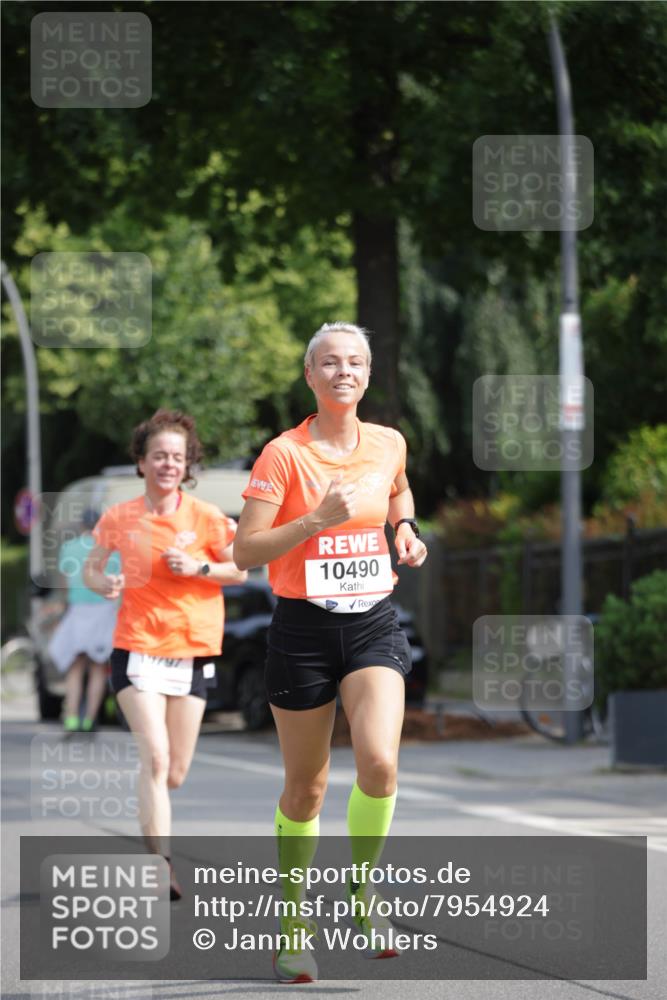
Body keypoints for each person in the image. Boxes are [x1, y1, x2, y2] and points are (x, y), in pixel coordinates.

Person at [234, 321, 428, 983]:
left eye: (355, 362)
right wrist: (316, 518)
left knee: (378, 762)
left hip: (373, 620)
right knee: (306, 787)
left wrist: (403, 527)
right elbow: (245, 551)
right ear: (310, 376)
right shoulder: (283, 455)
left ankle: (362, 891)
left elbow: (396, 486)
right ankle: (293, 924)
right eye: (329, 363)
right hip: (303, 630)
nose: (343, 371)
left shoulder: (387, 443)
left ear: (367, 374)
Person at [84, 409, 247, 897]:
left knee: (174, 772)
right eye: (158, 456)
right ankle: (161, 868)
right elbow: (90, 570)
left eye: (177, 457)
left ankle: (152, 816)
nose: (167, 464)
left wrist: (199, 567)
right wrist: (105, 581)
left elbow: (240, 570)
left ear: (187, 464)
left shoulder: (207, 518)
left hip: (192, 651)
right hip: (136, 648)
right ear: (141, 462)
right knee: (154, 759)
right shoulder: (119, 517)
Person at [48, 509, 120, 733]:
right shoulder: (113, 551)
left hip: (78, 610)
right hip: (105, 610)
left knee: (75, 667)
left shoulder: (70, 548)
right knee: (98, 667)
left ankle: (70, 718)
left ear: (81, 525)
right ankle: (89, 719)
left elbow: (63, 584)